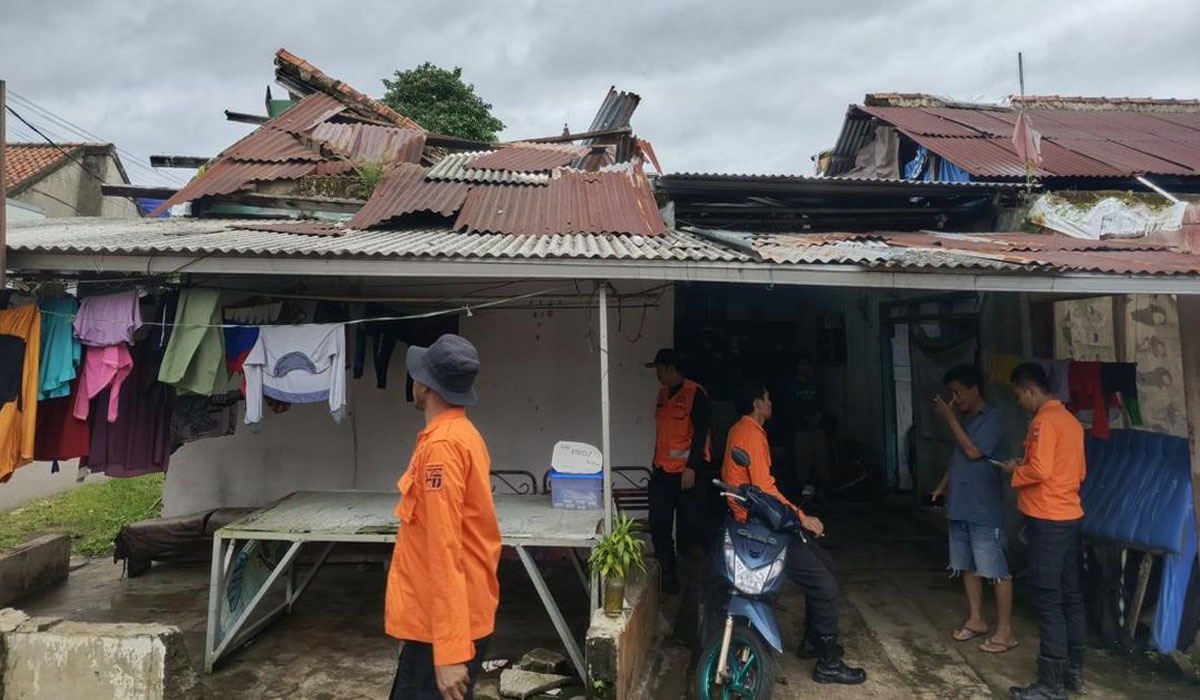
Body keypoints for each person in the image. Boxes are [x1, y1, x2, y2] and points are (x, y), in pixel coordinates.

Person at [721, 381, 866, 685]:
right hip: (763, 527)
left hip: (761, 520)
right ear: (757, 403)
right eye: (767, 398)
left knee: (825, 565)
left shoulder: (743, 430)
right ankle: (828, 663)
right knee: (824, 584)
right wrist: (802, 518)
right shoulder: (749, 433)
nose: (771, 403)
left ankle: (814, 641)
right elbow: (764, 490)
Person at [386, 334, 501, 700]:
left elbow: (444, 547)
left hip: (442, 629)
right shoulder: (462, 435)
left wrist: (449, 651)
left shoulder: (443, 447)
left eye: (417, 375)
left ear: (426, 386)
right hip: (450, 618)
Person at [999, 363, 1087, 700]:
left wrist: (1015, 470)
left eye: (1018, 395)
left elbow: (1039, 468)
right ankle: (1074, 672)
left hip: (1047, 518)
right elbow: (1078, 472)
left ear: (1031, 390)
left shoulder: (1043, 422)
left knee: (1048, 599)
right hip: (1069, 515)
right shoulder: (1071, 421)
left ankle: (1050, 685)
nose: (1018, 401)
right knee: (1071, 595)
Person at [930, 365, 1016, 654]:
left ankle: (1005, 631)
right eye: (951, 394)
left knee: (995, 570)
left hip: (983, 507)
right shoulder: (963, 420)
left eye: (958, 392)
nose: (955, 398)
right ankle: (976, 619)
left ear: (974, 390)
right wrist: (943, 486)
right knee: (967, 566)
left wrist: (950, 418)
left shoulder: (993, 419)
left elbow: (973, 452)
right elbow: (959, 459)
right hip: (960, 505)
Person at [646, 348, 711, 595]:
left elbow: (701, 433)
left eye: (659, 370)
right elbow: (664, 434)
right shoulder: (663, 393)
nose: (658, 375)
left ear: (670, 369)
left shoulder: (695, 393)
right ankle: (668, 579)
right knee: (659, 524)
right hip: (663, 472)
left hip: (687, 474)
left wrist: (692, 466)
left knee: (695, 525)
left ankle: (707, 578)